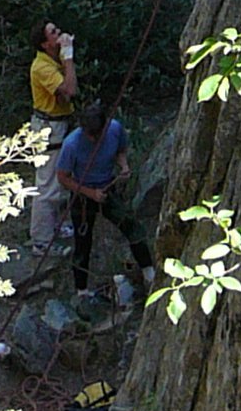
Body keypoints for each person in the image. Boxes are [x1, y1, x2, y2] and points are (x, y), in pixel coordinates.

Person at [56, 100, 155, 298]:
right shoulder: (72, 144)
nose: (92, 139)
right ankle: (82, 291)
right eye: (89, 134)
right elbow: (63, 177)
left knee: (131, 226)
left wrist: (123, 165)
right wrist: (90, 193)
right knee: (83, 243)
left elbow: (120, 150)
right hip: (83, 195)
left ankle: (149, 272)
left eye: (96, 135)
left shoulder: (115, 129)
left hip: (107, 186)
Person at [29, 19, 77, 253]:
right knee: (47, 183)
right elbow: (70, 90)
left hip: (59, 124)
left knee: (61, 177)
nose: (59, 33)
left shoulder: (52, 60)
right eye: (54, 32)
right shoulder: (43, 67)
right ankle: (40, 240)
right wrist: (68, 57)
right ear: (45, 43)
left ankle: (57, 225)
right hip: (49, 129)